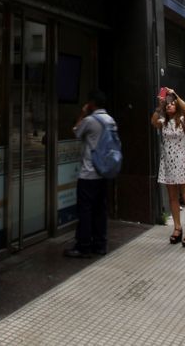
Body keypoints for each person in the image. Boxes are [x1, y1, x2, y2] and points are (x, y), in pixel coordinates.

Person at [64, 90, 117, 258]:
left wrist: (82, 112)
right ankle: (100, 244)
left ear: (92, 103)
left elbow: (75, 131)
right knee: (100, 209)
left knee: (85, 210)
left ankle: (83, 246)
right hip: (104, 172)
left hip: (88, 173)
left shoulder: (90, 120)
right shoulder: (111, 120)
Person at [151, 87, 185, 247]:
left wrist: (175, 94)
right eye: (168, 104)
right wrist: (160, 105)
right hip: (168, 164)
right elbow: (152, 121)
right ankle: (177, 228)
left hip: (182, 163)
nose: (169, 106)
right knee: (172, 198)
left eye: (172, 104)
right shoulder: (164, 122)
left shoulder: (183, 120)